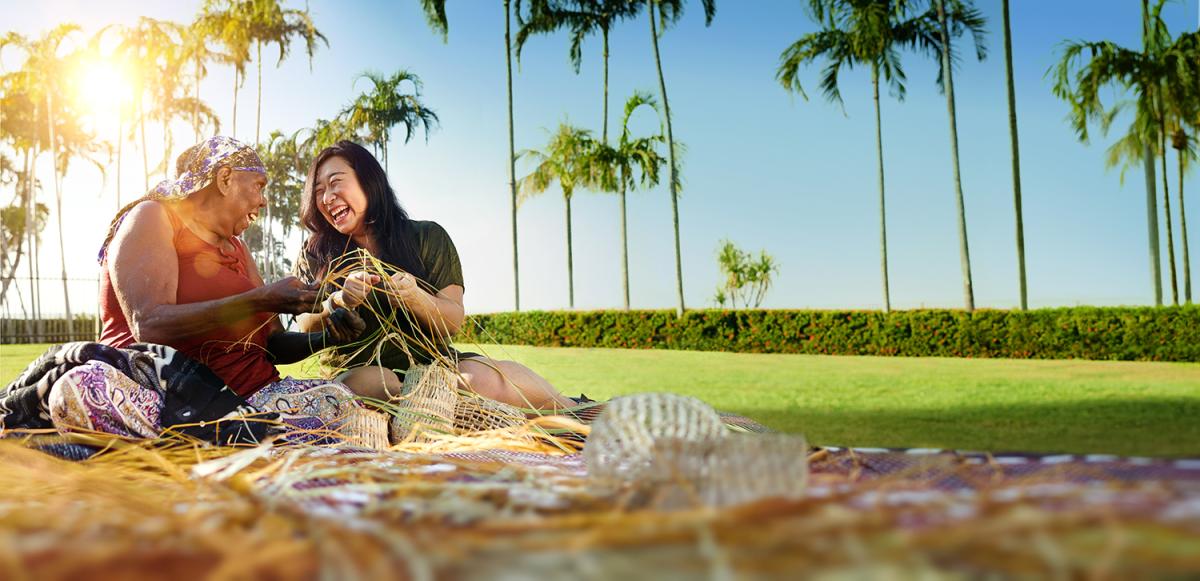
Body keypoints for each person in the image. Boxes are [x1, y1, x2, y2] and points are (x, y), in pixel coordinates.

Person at [83, 136, 368, 436]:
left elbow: (272, 345)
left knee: (349, 406)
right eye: (258, 185)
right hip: (177, 399)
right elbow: (149, 324)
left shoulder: (238, 249)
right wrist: (261, 299)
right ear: (225, 179)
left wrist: (328, 337)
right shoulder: (154, 217)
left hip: (255, 396)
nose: (263, 200)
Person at [294, 141, 577, 410]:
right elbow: (305, 324)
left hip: (434, 368)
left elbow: (452, 321)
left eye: (335, 183)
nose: (326, 198)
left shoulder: (426, 237)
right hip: (357, 374)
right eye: (318, 191)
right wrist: (339, 301)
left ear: (368, 180)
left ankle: (576, 410)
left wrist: (416, 298)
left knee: (481, 380)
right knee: (378, 383)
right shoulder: (315, 253)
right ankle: (430, 416)